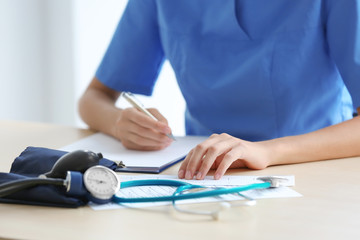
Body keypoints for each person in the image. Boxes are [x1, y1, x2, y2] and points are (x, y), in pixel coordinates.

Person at [79, 0, 360, 180]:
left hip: (314, 170)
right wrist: (120, 123)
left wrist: (267, 151)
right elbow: (93, 98)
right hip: (203, 175)